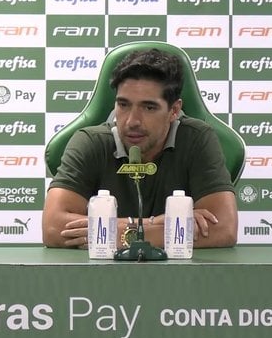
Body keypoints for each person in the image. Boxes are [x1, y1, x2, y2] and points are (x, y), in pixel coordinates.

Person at [42, 48, 238, 249]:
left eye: (149, 107)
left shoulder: (197, 139)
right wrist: (162, 226)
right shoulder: (90, 141)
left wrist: (111, 232)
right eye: (124, 105)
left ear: (174, 110)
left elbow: (223, 229)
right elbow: (53, 228)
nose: (132, 121)